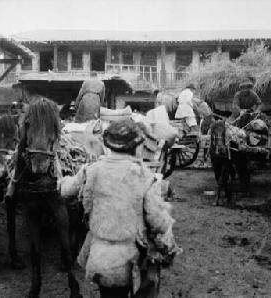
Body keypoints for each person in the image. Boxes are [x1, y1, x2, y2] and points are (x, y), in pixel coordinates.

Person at [59, 119, 181, 298]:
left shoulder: (92, 169)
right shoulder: (144, 176)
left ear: (109, 146)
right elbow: (158, 222)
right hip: (129, 260)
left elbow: (64, 190)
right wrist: (167, 215)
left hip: (98, 257)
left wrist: (60, 178)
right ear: (137, 146)